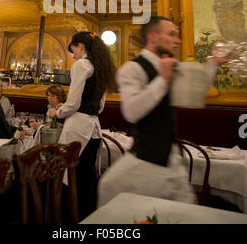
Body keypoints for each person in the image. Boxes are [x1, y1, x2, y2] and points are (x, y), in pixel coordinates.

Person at [97, 16, 231, 207]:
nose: (177, 40)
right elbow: (132, 112)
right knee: (109, 188)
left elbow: (197, 88)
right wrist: (163, 79)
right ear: (153, 38)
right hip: (147, 155)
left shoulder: (171, 66)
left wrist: (214, 63)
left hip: (169, 155)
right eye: (171, 34)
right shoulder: (132, 68)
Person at [48, 31, 116, 220]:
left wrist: (57, 111)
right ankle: (88, 219)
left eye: (73, 50)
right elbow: (100, 106)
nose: (73, 55)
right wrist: (71, 107)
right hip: (94, 131)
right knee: (87, 181)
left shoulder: (81, 65)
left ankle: (66, 221)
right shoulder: (101, 67)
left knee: (69, 180)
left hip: (77, 131)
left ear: (81, 46)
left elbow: (73, 104)